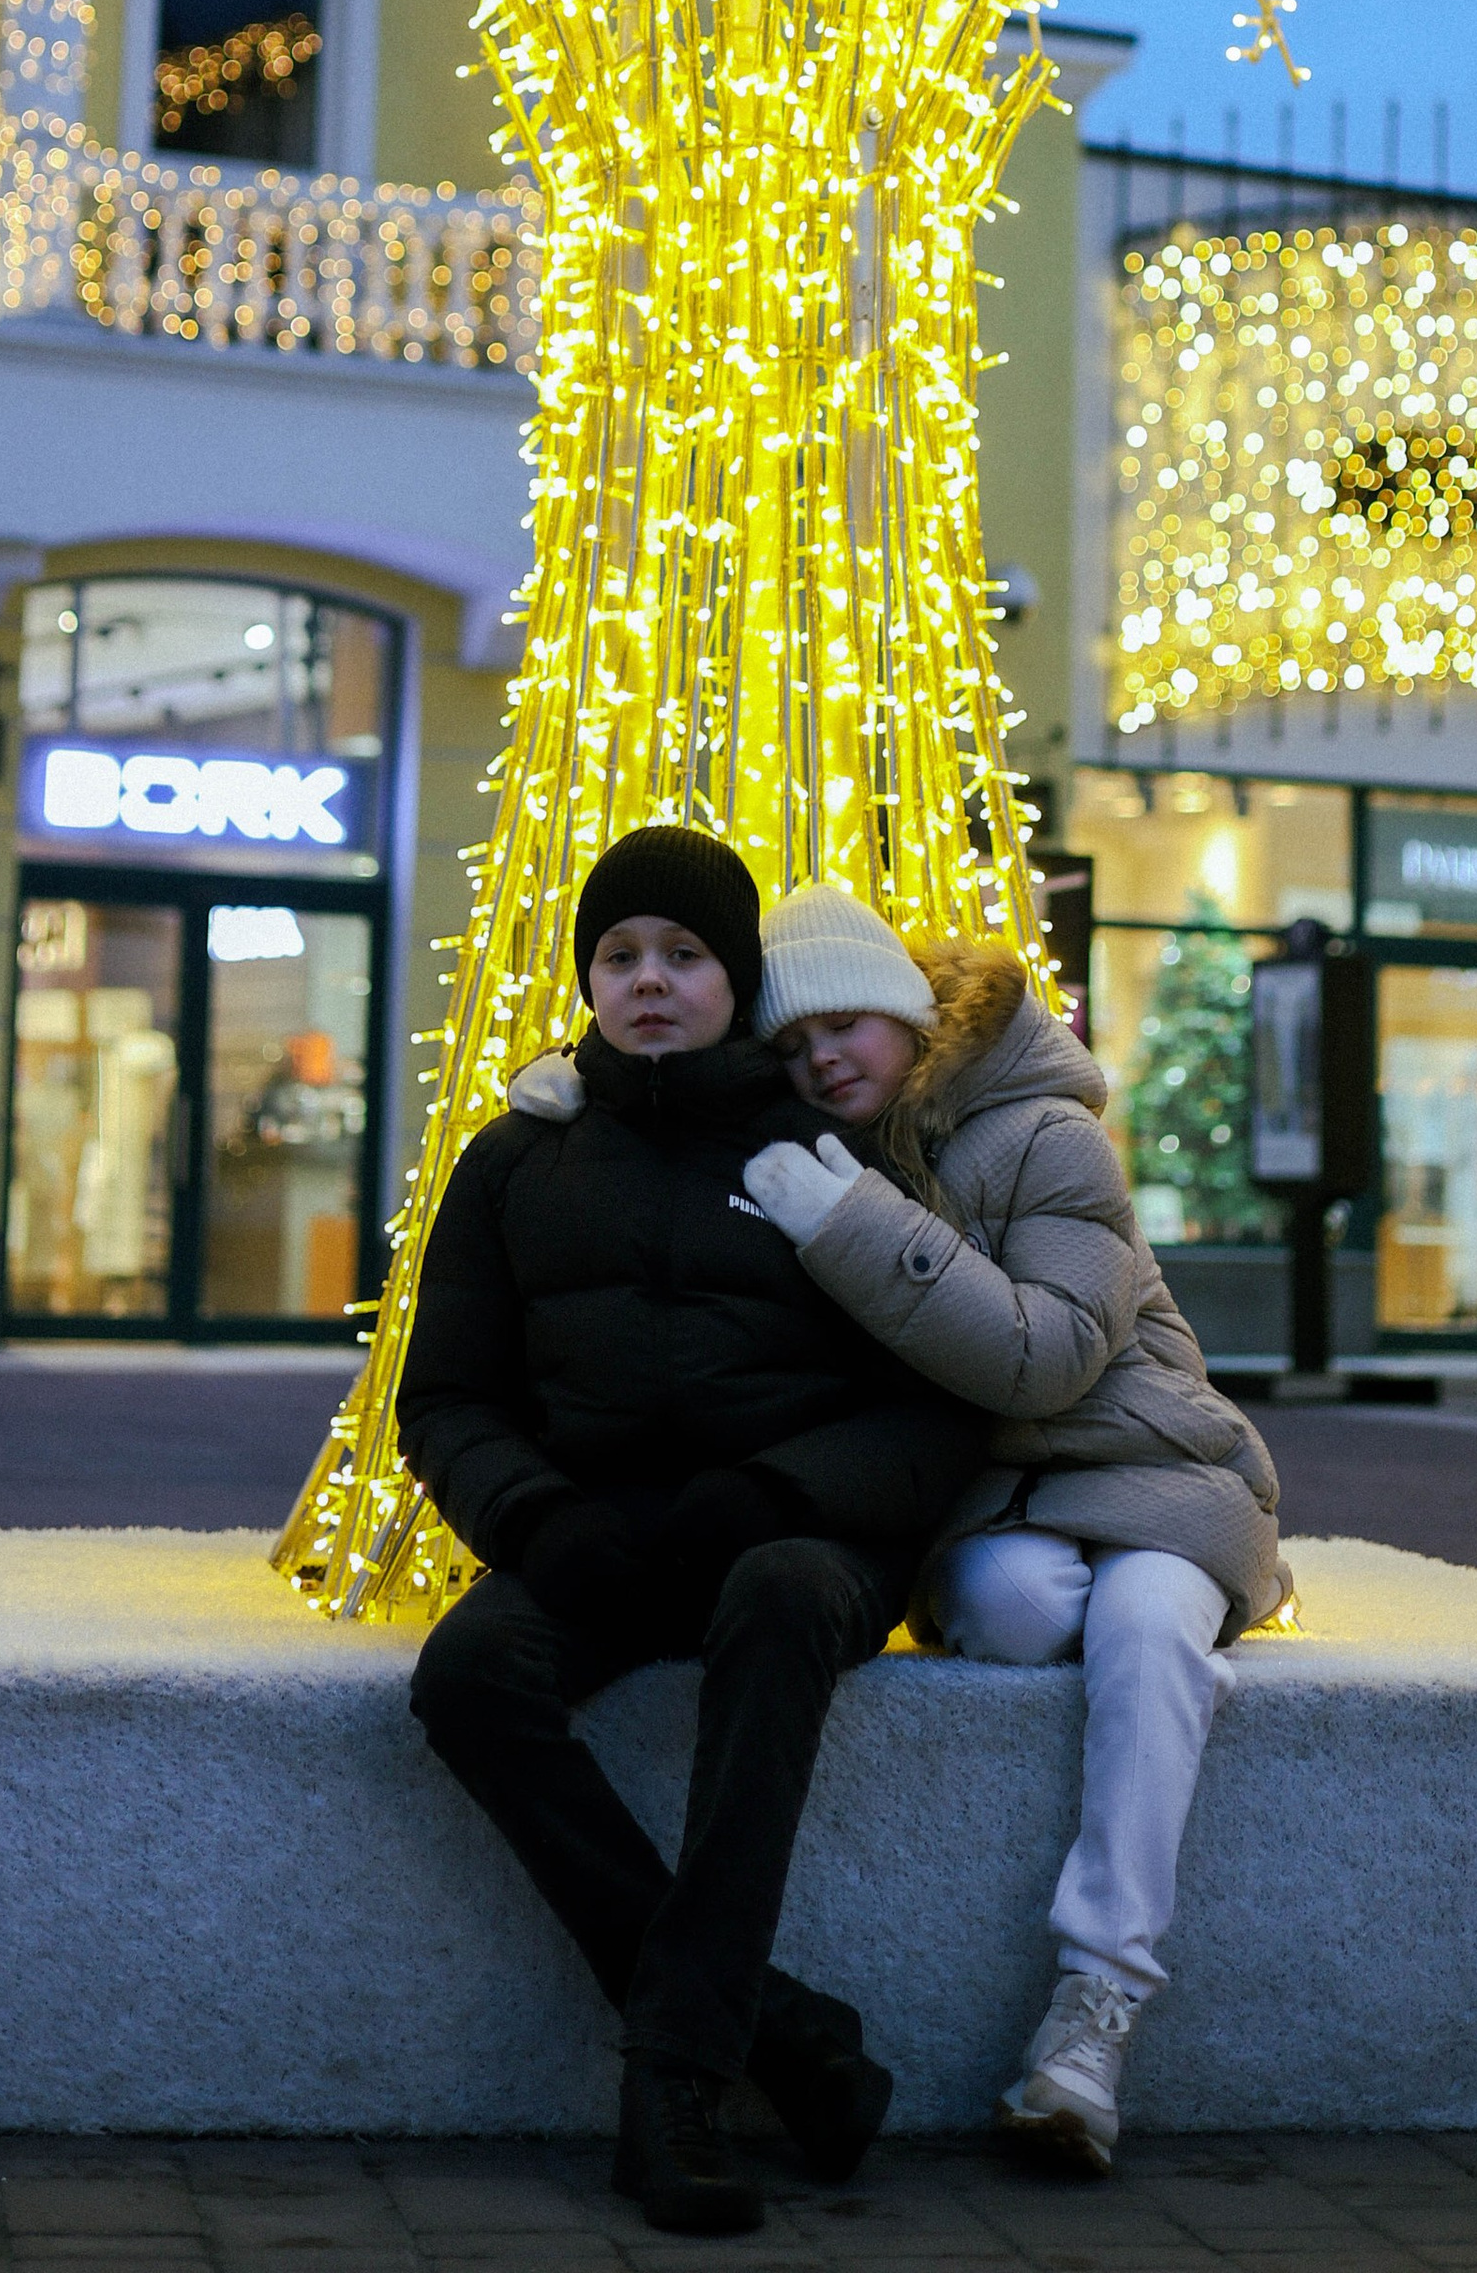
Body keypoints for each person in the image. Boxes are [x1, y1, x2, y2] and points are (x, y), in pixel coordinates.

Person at [400, 826, 985, 2240]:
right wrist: (534, 1515)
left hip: (799, 1534)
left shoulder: (835, 1157)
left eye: (684, 955)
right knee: (470, 1677)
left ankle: (676, 2085)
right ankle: (779, 2031)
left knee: (778, 1601)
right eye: (619, 956)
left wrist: (782, 1491)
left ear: (736, 981)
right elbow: (449, 1397)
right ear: (588, 979)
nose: (649, 980)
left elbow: (936, 1409)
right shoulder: (515, 1160)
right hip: (600, 1534)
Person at [746, 883, 1286, 2177]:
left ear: (905, 1013)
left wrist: (853, 1230)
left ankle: (1095, 2010)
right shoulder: (840, 1154)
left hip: (1154, 1464)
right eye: (791, 1043)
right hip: (1005, 1502)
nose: (823, 1058)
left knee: (1147, 1630)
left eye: (843, 1024)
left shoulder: (1045, 1133)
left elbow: (1049, 1360)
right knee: (1012, 1609)